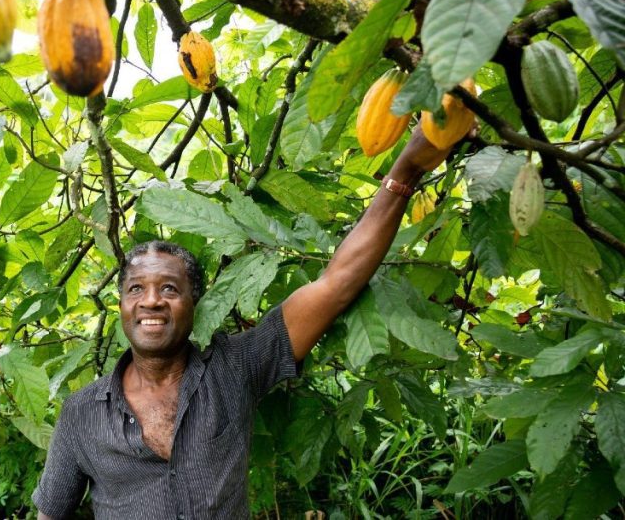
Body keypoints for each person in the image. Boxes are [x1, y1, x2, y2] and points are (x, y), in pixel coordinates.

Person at [32, 126, 453, 519]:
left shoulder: (235, 367)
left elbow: (335, 284)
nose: (152, 302)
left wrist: (407, 168)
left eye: (170, 289)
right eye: (136, 289)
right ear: (122, 305)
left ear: (195, 302)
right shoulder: (81, 413)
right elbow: (50, 513)